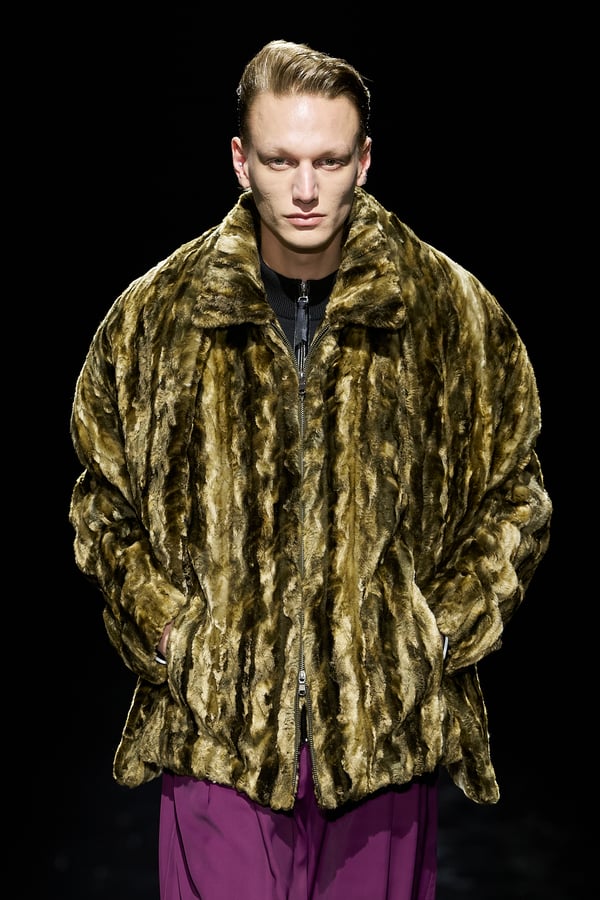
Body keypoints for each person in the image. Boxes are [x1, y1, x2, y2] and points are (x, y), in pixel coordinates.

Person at [69, 38, 552, 900]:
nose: (303, 189)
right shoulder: (157, 318)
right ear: (239, 159)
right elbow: (103, 499)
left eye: (328, 161)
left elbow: (516, 491)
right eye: (280, 159)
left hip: (381, 740)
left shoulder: (446, 312)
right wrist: (172, 632)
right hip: (216, 735)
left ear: (363, 161)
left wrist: (435, 632)